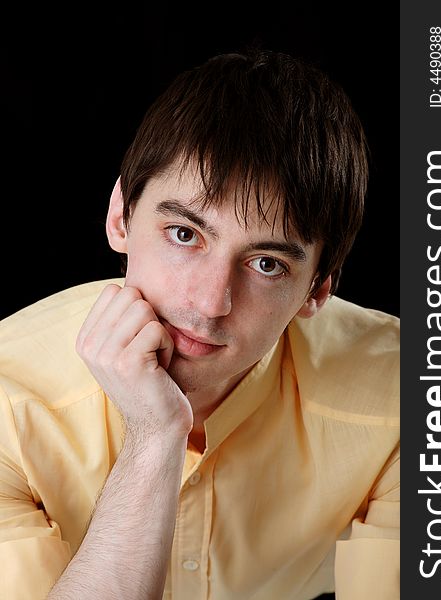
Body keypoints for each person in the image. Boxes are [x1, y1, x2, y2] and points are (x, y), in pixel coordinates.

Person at [0, 50, 399, 599]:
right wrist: (154, 435)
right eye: (185, 234)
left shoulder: (413, 402)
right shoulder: (9, 402)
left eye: (267, 264)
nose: (211, 303)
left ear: (318, 289)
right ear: (120, 216)